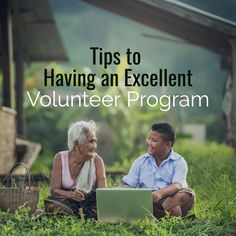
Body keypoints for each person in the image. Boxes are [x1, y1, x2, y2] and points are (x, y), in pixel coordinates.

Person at [121, 123, 195, 218]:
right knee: (130, 198)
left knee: (187, 195)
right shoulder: (141, 161)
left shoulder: (179, 162)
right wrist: (119, 192)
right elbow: (129, 184)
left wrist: (160, 193)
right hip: (146, 199)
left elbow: (177, 185)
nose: (149, 142)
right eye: (149, 138)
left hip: (170, 198)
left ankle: (156, 213)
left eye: (154, 140)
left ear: (168, 144)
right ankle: (167, 214)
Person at [48, 120, 107, 219]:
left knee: (95, 209)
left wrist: (87, 195)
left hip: (89, 202)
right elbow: (54, 190)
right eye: (91, 141)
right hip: (67, 201)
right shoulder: (60, 158)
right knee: (58, 207)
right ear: (76, 143)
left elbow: (103, 193)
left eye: (95, 142)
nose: (94, 146)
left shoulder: (97, 161)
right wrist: (70, 194)